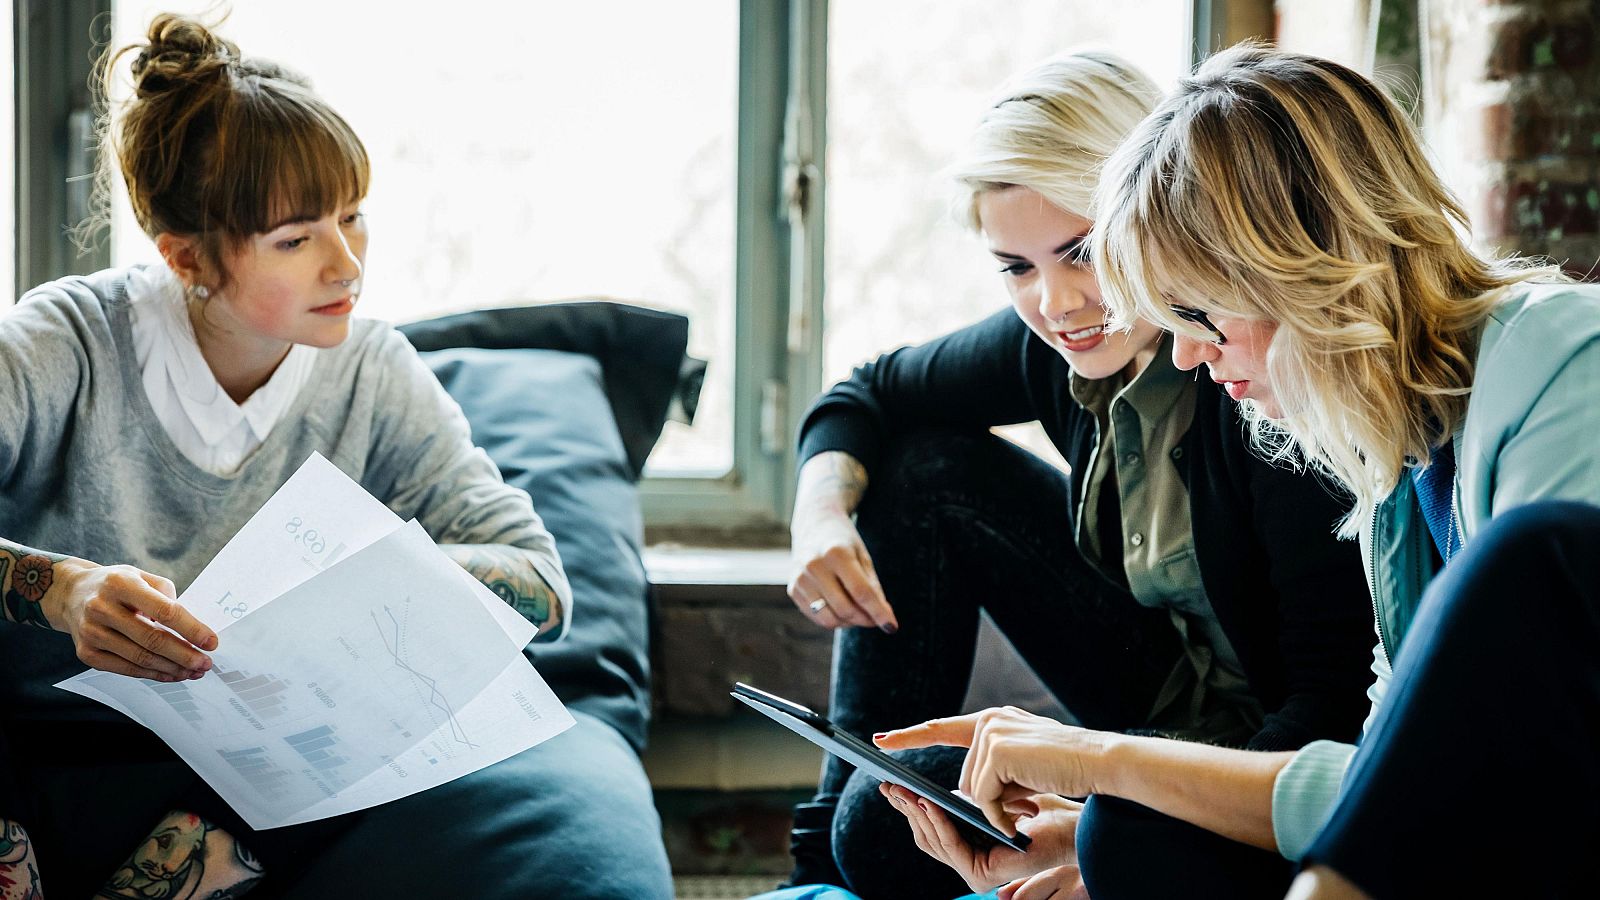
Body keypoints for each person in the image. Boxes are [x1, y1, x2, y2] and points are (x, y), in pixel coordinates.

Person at [879, 42, 1600, 900]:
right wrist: (1094, 823)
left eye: (1200, 313)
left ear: (1303, 265)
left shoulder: (1562, 356)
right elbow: (1384, 774)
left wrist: (1101, 757)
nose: (1186, 354)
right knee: (1124, 836)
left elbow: (1492, 778)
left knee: (1527, 550)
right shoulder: (1394, 471)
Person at [0, 14, 672, 899]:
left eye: (354, 218)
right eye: (296, 238)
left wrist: (368, 587)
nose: (347, 264)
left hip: (241, 786)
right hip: (32, 741)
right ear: (187, 256)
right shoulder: (63, 344)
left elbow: (541, 586)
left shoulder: (372, 369)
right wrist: (65, 592)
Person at [781, 49, 1374, 900]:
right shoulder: (1051, 346)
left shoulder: (1260, 381)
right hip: (1150, 688)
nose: (1057, 306)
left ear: (1157, 215)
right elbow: (869, 392)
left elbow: (1331, 721)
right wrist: (822, 512)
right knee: (923, 474)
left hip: (1265, 755)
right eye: (1016, 268)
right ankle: (810, 882)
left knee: (888, 830)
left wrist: (1114, 822)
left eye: (1084, 252)